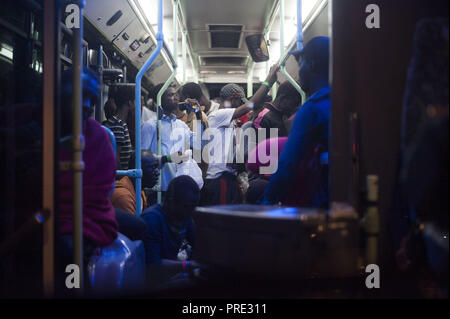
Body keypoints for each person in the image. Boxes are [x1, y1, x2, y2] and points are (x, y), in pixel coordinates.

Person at [262, 37, 330, 207]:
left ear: (312, 64)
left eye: (302, 64)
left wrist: (267, 201)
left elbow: (287, 165)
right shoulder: (344, 101)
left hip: (322, 202)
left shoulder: (312, 109)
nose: (299, 72)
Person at [58, 68, 118, 257]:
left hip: (87, 214)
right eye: (79, 95)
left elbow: (103, 189)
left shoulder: (98, 135)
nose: (86, 105)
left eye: (92, 99)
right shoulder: (31, 124)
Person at [200, 64, 280, 206]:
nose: (240, 106)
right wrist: (269, 81)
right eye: (238, 102)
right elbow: (251, 105)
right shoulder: (218, 115)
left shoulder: (226, 121)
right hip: (219, 180)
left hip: (225, 178)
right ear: (232, 98)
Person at [141, 83, 201, 195]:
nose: (176, 97)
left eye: (176, 94)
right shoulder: (150, 125)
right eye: (171, 95)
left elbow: (199, 143)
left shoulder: (181, 125)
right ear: (160, 99)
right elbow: (142, 159)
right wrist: (166, 158)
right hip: (159, 188)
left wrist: (197, 113)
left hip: (179, 188)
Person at [141, 175, 200, 284]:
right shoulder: (152, 220)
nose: (191, 211)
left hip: (166, 277)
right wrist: (189, 265)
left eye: (194, 207)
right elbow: (153, 264)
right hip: (147, 282)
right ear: (170, 201)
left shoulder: (185, 216)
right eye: (187, 207)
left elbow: (199, 244)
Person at [110, 150, 160, 215]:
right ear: (138, 169)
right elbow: (132, 224)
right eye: (153, 168)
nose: (157, 173)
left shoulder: (139, 189)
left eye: (157, 167)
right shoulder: (123, 196)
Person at [102, 84, 134, 170]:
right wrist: (124, 178)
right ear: (129, 103)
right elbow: (115, 159)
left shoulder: (119, 123)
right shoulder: (118, 125)